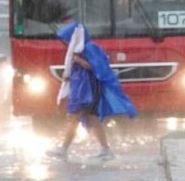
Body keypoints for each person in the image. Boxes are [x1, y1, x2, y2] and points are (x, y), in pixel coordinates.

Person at [46, 22, 137, 160]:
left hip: (89, 89)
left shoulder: (90, 48)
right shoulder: (76, 51)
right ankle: (101, 149)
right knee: (86, 118)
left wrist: (78, 60)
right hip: (80, 90)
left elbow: (97, 68)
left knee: (77, 117)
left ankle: (65, 149)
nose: (68, 42)